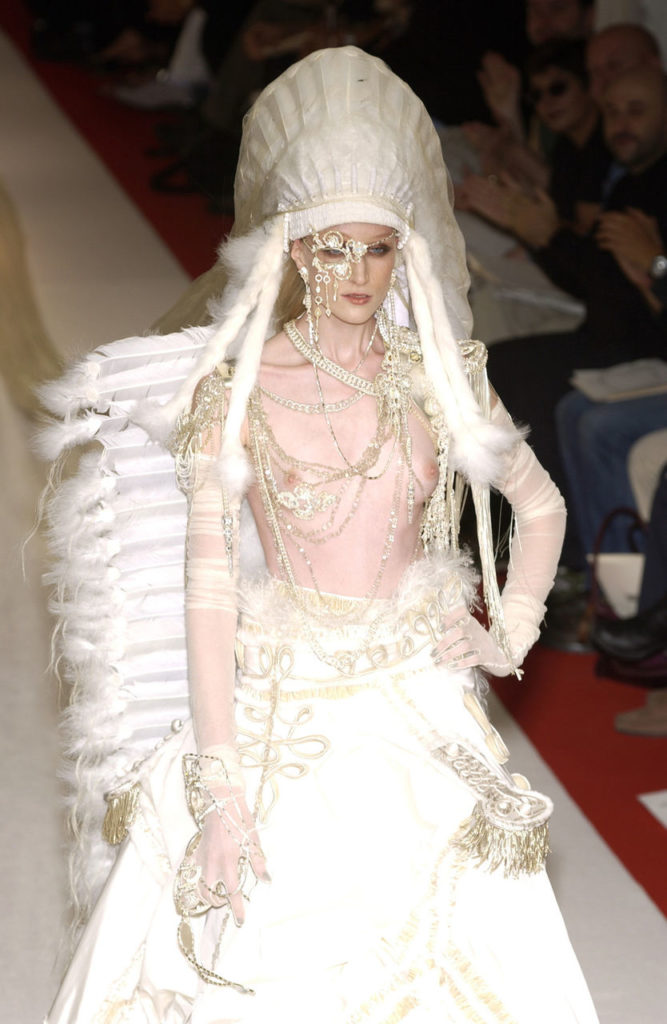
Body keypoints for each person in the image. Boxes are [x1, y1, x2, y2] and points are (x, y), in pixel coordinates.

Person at [40, 47, 598, 1022]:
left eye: (377, 249)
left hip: (410, 692)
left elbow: (540, 505)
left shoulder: (434, 378)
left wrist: (507, 629)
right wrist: (220, 788)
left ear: (403, 251)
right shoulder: (238, 393)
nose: (357, 272)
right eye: (334, 248)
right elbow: (210, 593)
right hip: (279, 701)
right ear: (295, 251)